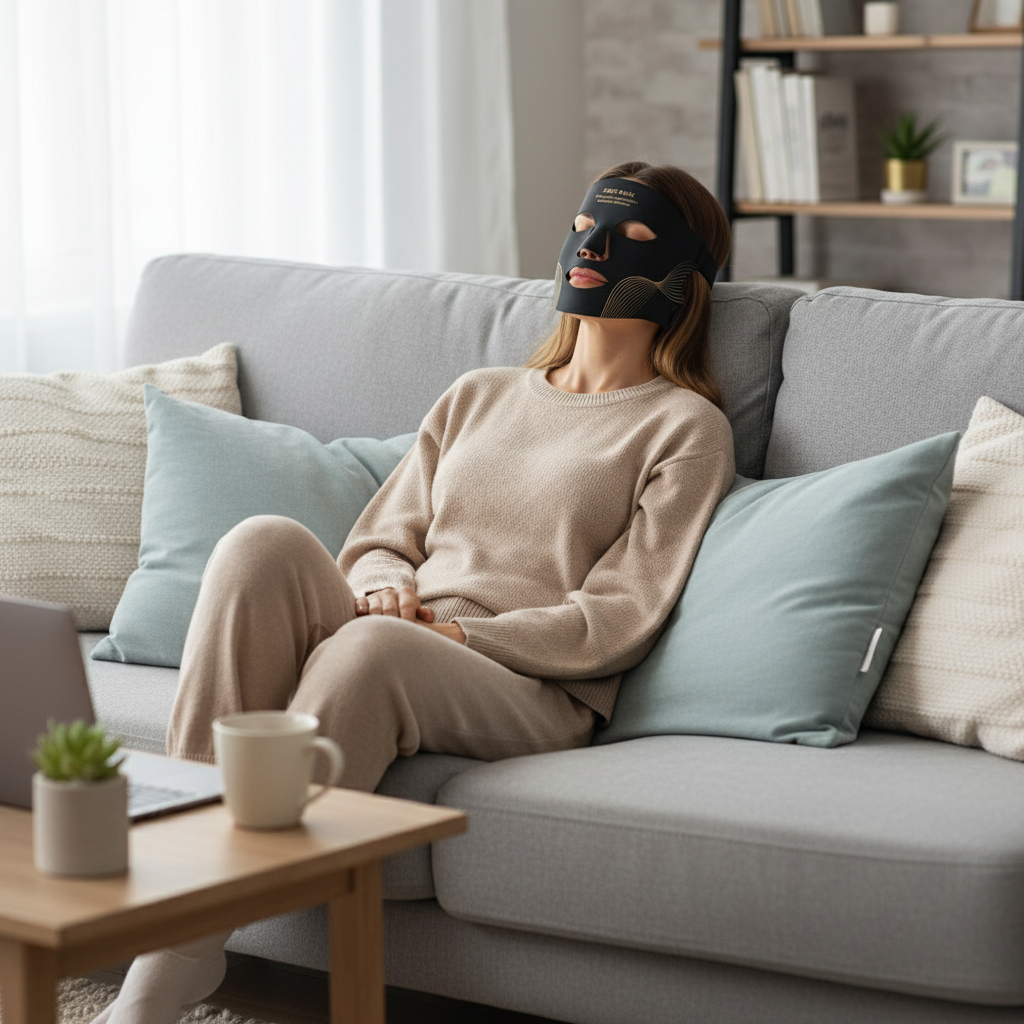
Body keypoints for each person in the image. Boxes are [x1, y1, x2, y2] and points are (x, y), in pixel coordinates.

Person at [90, 160, 736, 1024]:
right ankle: (183, 889)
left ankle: (174, 952)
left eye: (634, 237)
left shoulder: (685, 426)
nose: (594, 248)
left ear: (685, 279)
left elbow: (622, 615)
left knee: (371, 650)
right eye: (586, 228)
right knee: (260, 542)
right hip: (401, 630)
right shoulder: (479, 395)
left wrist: (461, 637)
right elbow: (380, 541)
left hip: (530, 682)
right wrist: (387, 589)